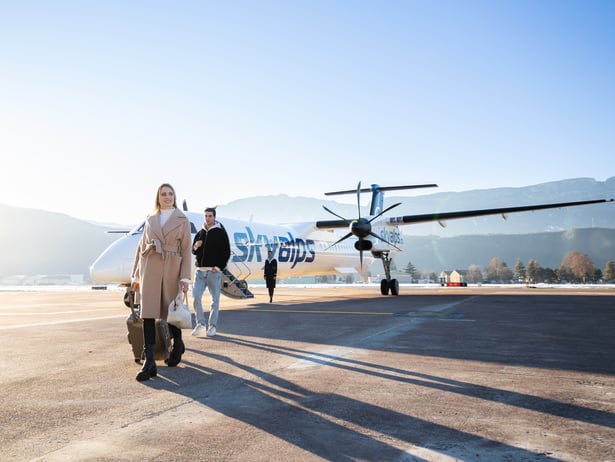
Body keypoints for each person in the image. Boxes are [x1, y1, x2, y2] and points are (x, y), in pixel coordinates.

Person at [130, 183, 192, 382]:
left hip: (172, 267)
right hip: (150, 267)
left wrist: (184, 277)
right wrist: (136, 276)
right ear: (158, 197)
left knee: (170, 311)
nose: (167, 197)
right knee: (148, 314)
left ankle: (178, 342)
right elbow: (141, 249)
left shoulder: (182, 219)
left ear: (175, 196)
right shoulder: (150, 218)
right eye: (163, 194)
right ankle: (150, 362)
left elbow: (186, 250)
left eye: (170, 194)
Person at [191, 207, 231, 337]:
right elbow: (193, 251)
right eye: (206, 216)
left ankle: (212, 327)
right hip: (200, 272)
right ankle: (200, 324)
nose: (207, 218)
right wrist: (196, 246)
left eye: (210, 216)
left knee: (215, 301)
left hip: (213, 272)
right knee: (196, 297)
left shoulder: (220, 233)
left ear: (214, 217)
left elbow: (226, 252)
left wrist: (219, 267)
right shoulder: (200, 233)